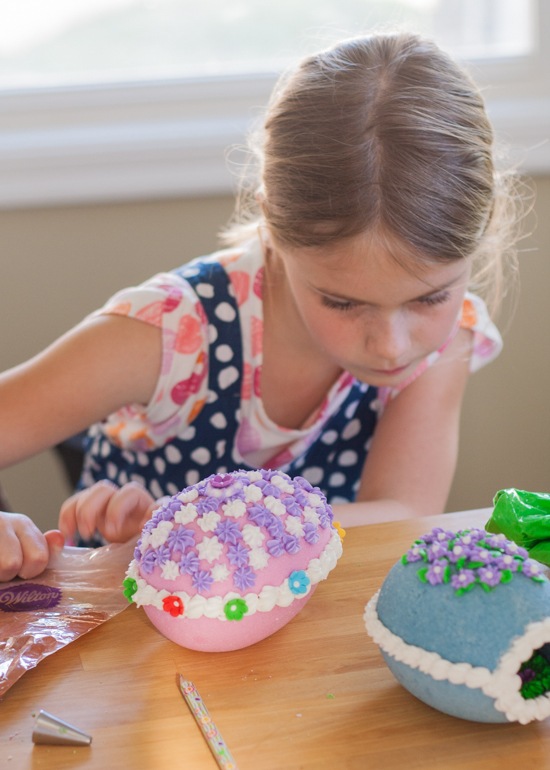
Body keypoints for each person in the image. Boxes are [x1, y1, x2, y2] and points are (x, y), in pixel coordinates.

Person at [0, 33, 517, 582]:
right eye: (342, 302)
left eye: (431, 297)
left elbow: (404, 511)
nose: (393, 344)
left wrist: (193, 530)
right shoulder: (174, 334)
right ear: (273, 226)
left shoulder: (447, 339)